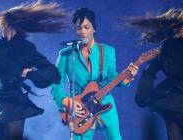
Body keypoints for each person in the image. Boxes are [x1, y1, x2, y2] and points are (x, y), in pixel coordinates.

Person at [0, 1, 69, 140]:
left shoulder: (25, 47)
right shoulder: (1, 47)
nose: (1, 30)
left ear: (10, 26)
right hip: (4, 100)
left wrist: (30, 73)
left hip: (15, 102)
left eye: (2, 26)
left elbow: (53, 73)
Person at [51, 8, 138, 140]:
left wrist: (128, 76)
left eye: (87, 27)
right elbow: (55, 84)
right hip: (80, 109)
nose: (83, 32)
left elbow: (112, 77)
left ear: (94, 29)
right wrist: (66, 101)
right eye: (79, 28)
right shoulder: (66, 55)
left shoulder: (107, 52)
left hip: (105, 106)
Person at [127, 8, 183, 140]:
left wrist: (142, 98)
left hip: (166, 104)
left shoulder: (164, 49)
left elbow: (149, 73)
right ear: (174, 27)